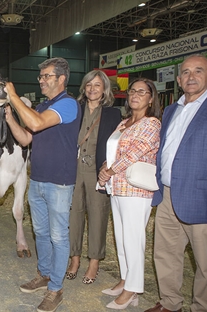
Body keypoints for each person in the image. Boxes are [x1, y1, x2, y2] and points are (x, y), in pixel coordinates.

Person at [144, 54, 207, 312]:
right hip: (168, 196)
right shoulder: (172, 109)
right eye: (185, 72)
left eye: (198, 71)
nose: (191, 76)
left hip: (205, 201)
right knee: (165, 254)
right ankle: (171, 303)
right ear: (179, 79)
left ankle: (204, 307)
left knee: (206, 264)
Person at [5, 57, 81, 312]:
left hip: (59, 182)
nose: (41, 80)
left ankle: (55, 288)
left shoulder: (68, 104)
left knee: (58, 236)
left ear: (61, 79)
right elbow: (27, 138)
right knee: (41, 232)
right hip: (37, 179)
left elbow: (36, 123)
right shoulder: (44, 105)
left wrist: (13, 95)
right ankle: (45, 274)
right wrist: (9, 118)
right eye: (41, 76)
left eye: (46, 76)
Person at [98, 78, 161, 310]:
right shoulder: (124, 123)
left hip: (136, 189)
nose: (135, 95)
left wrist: (110, 170)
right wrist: (104, 169)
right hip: (117, 187)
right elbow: (113, 152)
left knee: (134, 240)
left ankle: (133, 288)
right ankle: (126, 280)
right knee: (122, 239)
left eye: (142, 92)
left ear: (151, 98)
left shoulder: (151, 123)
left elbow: (134, 153)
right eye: (132, 91)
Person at [66, 70, 121, 284]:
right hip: (73, 168)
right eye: (89, 85)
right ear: (83, 88)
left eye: (97, 85)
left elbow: (117, 144)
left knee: (98, 216)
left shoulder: (113, 114)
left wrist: (109, 166)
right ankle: (75, 259)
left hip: (98, 171)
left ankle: (94, 261)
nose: (92, 89)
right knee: (74, 214)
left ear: (104, 89)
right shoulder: (76, 110)